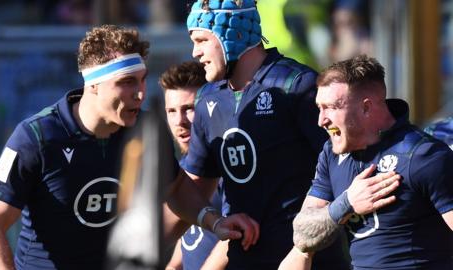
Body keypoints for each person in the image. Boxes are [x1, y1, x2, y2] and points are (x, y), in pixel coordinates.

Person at [167, 0, 350, 269]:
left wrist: (307, 241)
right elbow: (189, 188)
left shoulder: (296, 86)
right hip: (242, 261)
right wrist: (213, 222)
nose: (195, 52)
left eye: (202, 40)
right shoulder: (207, 100)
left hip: (310, 261)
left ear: (233, 33)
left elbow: (343, 168)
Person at [0, 24, 151, 270]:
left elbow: (180, 194)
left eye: (143, 80)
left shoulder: (147, 131)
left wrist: (211, 221)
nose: (141, 93)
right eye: (127, 82)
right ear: (94, 85)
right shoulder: (33, 136)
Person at [280, 55, 453, 270]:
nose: (321, 121)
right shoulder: (332, 155)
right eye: (319, 108)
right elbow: (303, 238)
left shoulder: (424, 156)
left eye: (331, 108)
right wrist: (346, 203)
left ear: (366, 108)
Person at [160, 61, 229, 269]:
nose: (179, 121)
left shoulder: (229, 165)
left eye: (188, 108)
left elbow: (235, 235)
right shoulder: (183, 168)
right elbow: (189, 240)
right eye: (171, 111)